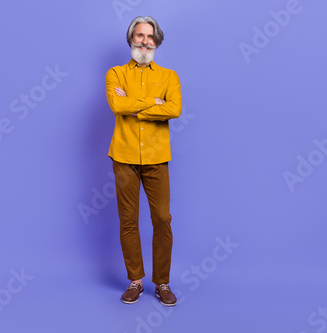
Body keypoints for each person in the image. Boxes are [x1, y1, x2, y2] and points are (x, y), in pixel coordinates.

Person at [105, 16, 182, 306]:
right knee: (128, 220)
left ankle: (162, 282)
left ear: (157, 41)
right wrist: (154, 103)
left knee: (162, 218)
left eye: (150, 36)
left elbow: (175, 109)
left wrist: (134, 105)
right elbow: (116, 104)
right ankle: (135, 281)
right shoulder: (115, 74)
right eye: (139, 35)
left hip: (156, 158)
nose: (144, 41)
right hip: (123, 156)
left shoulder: (169, 76)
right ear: (131, 40)